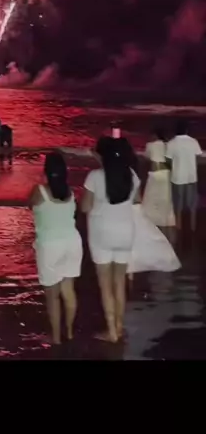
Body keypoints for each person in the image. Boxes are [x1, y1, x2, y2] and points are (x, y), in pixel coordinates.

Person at [81, 137, 140, 343]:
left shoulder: (95, 176)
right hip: (126, 232)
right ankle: (119, 327)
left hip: (101, 234)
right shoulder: (131, 175)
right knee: (119, 283)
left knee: (105, 285)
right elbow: (137, 200)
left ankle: (111, 332)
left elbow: (85, 207)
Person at [29, 151, 83, 345]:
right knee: (68, 290)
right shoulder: (71, 193)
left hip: (50, 246)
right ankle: (69, 331)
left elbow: (30, 206)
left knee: (52, 296)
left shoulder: (39, 191)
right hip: (72, 243)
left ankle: (56, 337)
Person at [165, 119, 202, 232]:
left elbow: (168, 160)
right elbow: (198, 157)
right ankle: (192, 225)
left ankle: (179, 226)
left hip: (177, 176)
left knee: (178, 203)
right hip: (191, 176)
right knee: (192, 203)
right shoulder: (193, 141)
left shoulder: (171, 143)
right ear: (187, 130)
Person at [142, 127, 175, 229]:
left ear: (155, 135)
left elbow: (146, 156)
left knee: (151, 198)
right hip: (166, 173)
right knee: (165, 199)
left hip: (155, 173)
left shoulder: (150, 145)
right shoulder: (168, 145)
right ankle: (166, 220)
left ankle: (152, 220)